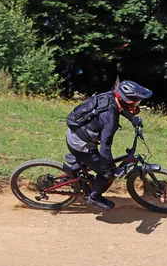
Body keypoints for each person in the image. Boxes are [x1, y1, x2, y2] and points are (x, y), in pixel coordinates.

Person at [65, 80, 152, 210]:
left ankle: (77, 171)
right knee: (107, 173)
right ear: (126, 100)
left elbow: (119, 107)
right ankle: (94, 198)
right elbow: (106, 146)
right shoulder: (110, 120)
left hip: (76, 133)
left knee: (103, 165)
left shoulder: (111, 96)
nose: (137, 104)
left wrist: (132, 118)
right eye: (136, 101)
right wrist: (108, 169)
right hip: (80, 143)